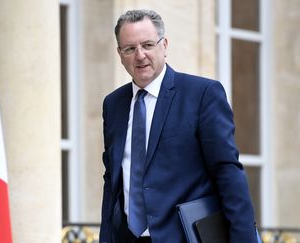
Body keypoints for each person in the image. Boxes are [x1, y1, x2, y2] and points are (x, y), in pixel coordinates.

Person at [100, 9, 259, 243]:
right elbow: (112, 180)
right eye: (130, 49)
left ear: (164, 45)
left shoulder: (202, 94)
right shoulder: (113, 105)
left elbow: (227, 172)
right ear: (120, 54)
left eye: (147, 45)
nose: (140, 55)